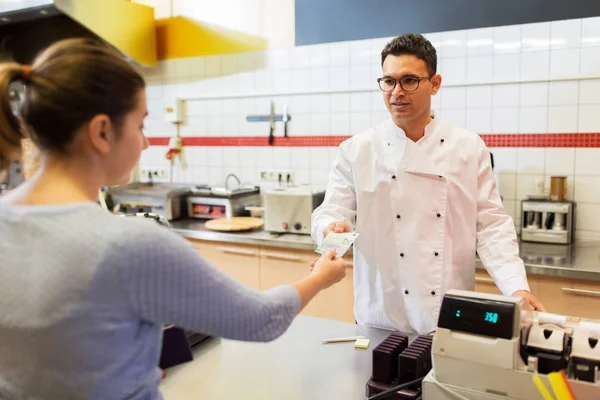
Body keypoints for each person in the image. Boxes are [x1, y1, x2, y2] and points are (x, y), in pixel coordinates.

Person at [0, 38, 347, 400]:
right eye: (141, 126)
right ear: (102, 132)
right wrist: (320, 276)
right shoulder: (128, 245)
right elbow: (261, 319)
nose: (145, 144)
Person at [311, 33, 545, 334]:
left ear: (434, 84)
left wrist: (515, 286)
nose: (397, 92)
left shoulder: (468, 148)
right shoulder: (357, 150)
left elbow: (491, 227)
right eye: (388, 81)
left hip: (447, 315)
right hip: (380, 316)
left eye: (409, 80)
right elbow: (331, 212)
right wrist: (330, 228)